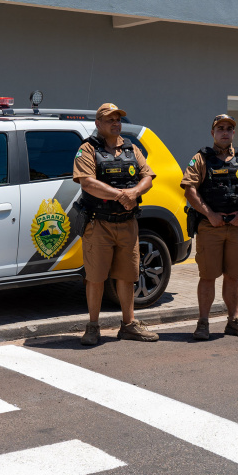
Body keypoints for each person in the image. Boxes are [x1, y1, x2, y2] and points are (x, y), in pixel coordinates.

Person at [72, 103, 160, 346]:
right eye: (109, 119)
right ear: (98, 124)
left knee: (127, 275)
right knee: (96, 277)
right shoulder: (87, 149)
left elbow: (148, 177)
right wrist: (122, 195)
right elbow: (87, 182)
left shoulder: (132, 149)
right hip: (98, 223)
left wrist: (135, 193)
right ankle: (92, 327)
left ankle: (129, 325)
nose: (115, 123)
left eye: (118, 119)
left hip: (127, 224)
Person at [181, 114, 238, 340]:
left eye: (229, 128)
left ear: (233, 133)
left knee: (233, 276)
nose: (225, 132)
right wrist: (210, 215)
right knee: (208, 276)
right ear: (213, 133)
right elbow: (189, 189)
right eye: (220, 128)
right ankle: (203, 323)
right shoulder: (200, 159)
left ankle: (234, 321)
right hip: (211, 227)